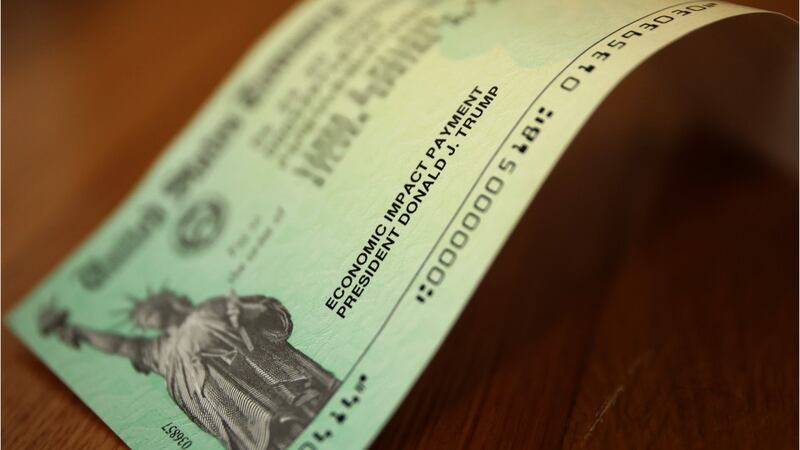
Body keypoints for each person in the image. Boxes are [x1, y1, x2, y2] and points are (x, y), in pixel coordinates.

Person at [38, 288, 340, 450]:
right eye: (142, 319)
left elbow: (262, 314)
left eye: (148, 310)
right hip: (240, 422)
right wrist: (77, 331)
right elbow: (120, 344)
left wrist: (252, 311)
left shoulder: (207, 311)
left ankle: (283, 413)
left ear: (167, 303)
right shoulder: (160, 351)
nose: (144, 318)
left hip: (277, 388)